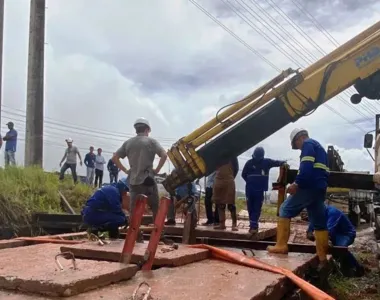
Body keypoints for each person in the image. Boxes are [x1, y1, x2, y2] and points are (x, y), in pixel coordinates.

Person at [267, 128, 330, 269]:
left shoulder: (308, 145)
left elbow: (307, 168)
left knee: (284, 209)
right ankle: (322, 258)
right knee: (319, 223)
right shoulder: (319, 148)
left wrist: (297, 183)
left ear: (299, 138)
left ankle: (281, 245)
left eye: (296, 144)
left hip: (308, 187)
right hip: (320, 188)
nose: (298, 147)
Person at [112, 117, 167, 224]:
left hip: (133, 181)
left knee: (134, 209)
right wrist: (156, 170)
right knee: (155, 207)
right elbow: (164, 155)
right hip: (148, 181)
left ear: (136, 129)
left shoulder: (128, 143)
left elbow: (115, 158)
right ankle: (158, 235)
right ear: (147, 129)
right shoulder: (152, 142)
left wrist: (126, 170)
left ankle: (136, 236)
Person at [307, 205, 364, 277]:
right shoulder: (318, 213)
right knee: (334, 249)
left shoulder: (333, 213)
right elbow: (312, 225)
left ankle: (357, 268)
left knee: (340, 248)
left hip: (345, 234)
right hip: (334, 234)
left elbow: (328, 231)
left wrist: (318, 237)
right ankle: (340, 267)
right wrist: (309, 232)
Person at [242, 146, 286, 234]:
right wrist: (250, 182)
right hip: (250, 190)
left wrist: (283, 163)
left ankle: (254, 227)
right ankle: (253, 226)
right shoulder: (249, 163)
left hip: (258, 190)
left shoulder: (266, 162)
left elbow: (276, 162)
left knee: (256, 208)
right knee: (251, 208)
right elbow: (243, 174)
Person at [212, 157, 239, 231]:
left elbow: (236, 168)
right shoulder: (217, 155)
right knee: (220, 204)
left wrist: (231, 177)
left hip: (229, 180)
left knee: (231, 205)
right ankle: (222, 224)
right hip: (218, 180)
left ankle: (234, 224)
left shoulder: (233, 156)